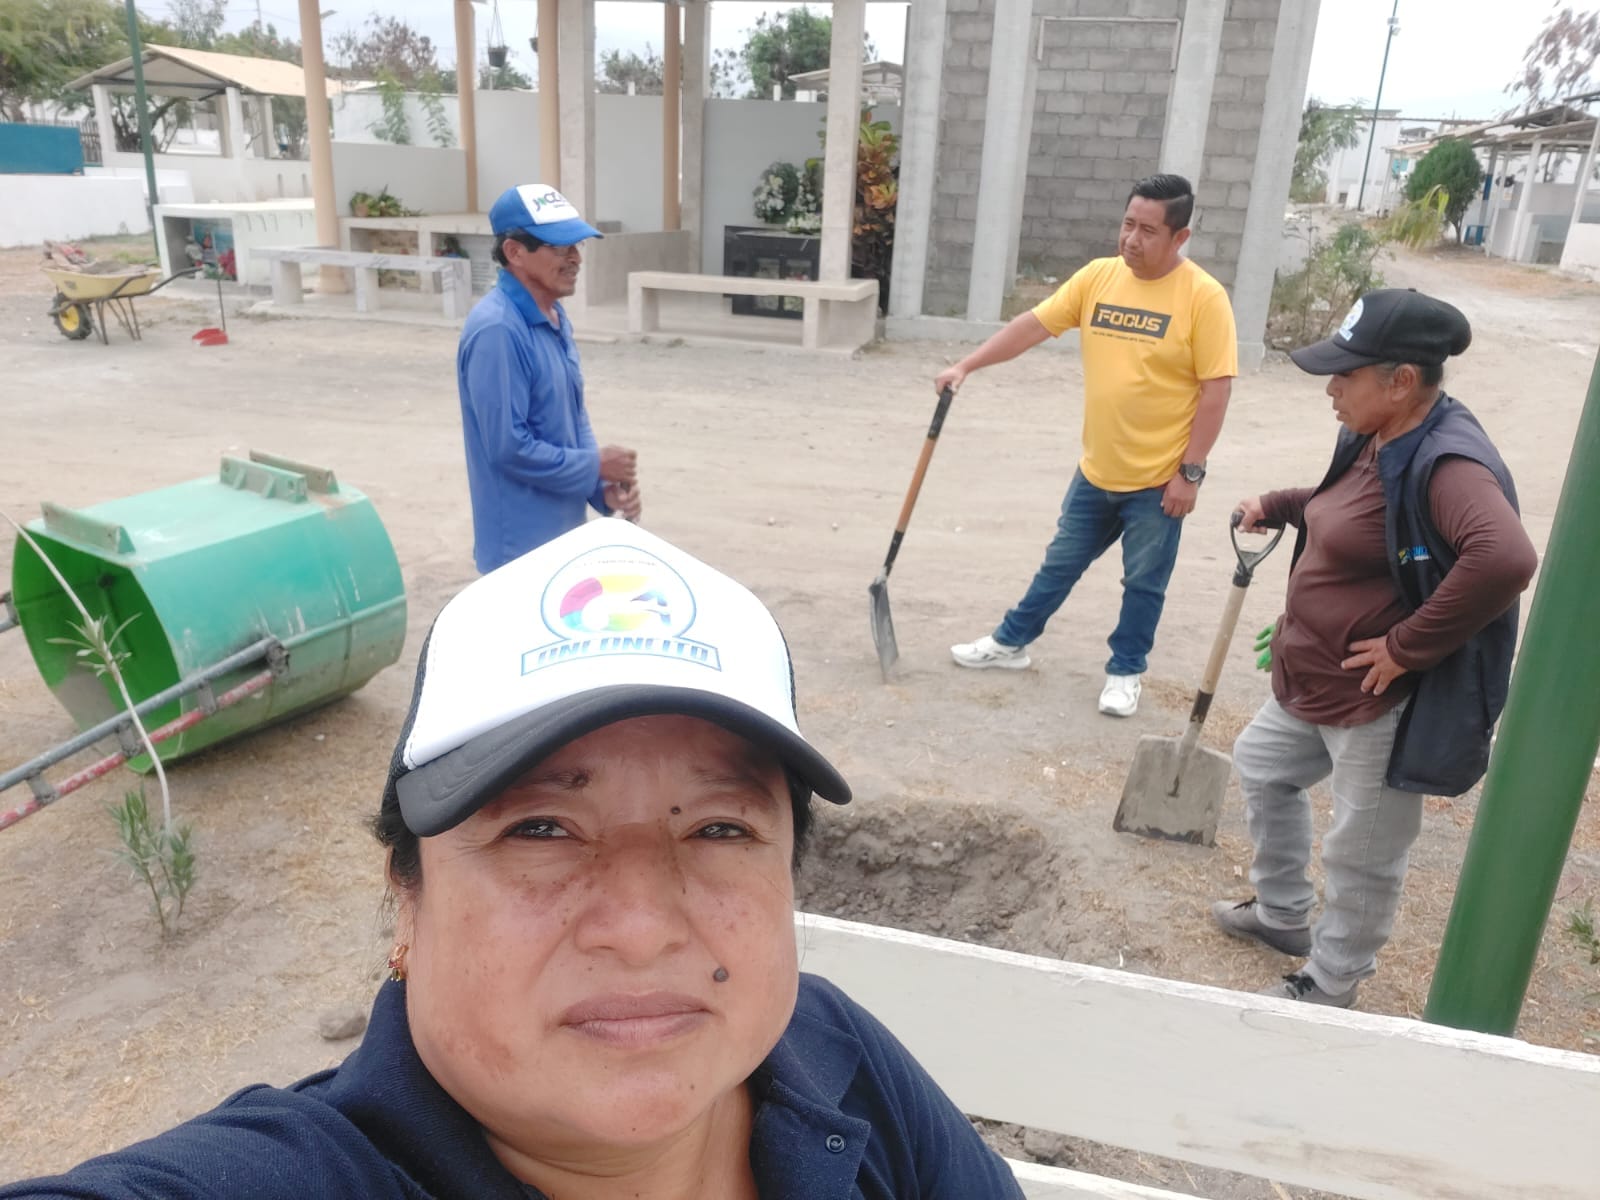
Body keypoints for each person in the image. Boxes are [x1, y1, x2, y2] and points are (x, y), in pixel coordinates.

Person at [1, 519, 1025, 1200]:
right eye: (540, 829)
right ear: (406, 898)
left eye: (719, 829)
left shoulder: (828, 1055)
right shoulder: (296, 1177)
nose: (640, 927)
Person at [1211, 289, 1537, 1008]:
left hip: (1376, 699)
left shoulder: (1449, 464)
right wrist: (1280, 504)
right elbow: (1349, 508)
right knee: (1263, 766)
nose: (1331, 388)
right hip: (1316, 676)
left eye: (1346, 374)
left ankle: (1332, 981)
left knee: (1361, 850)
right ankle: (1283, 913)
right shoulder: (1377, 433)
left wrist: (1407, 646)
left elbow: (1506, 558)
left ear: (1402, 381)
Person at [936, 173, 1237, 718]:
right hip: (1097, 469)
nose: (1131, 240)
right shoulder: (1099, 277)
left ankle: (1125, 671)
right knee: (1059, 564)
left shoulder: (1204, 297)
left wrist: (1190, 474)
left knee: (1143, 583)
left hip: (1158, 480)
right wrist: (967, 366)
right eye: (1128, 224)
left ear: (1180, 237)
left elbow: (1216, 391)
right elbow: (1033, 326)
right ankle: (1010, 643)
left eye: (1148, 231)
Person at [458, 183, 642, 575]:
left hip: (564, 542)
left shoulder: (554, 318)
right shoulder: (497, 330)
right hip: (519, 554)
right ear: (514, 252)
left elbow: (574, 419)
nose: (575, 258)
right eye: (560, 248)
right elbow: (509, 447)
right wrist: (594, 466)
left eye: (577, 246)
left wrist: (601, 489)